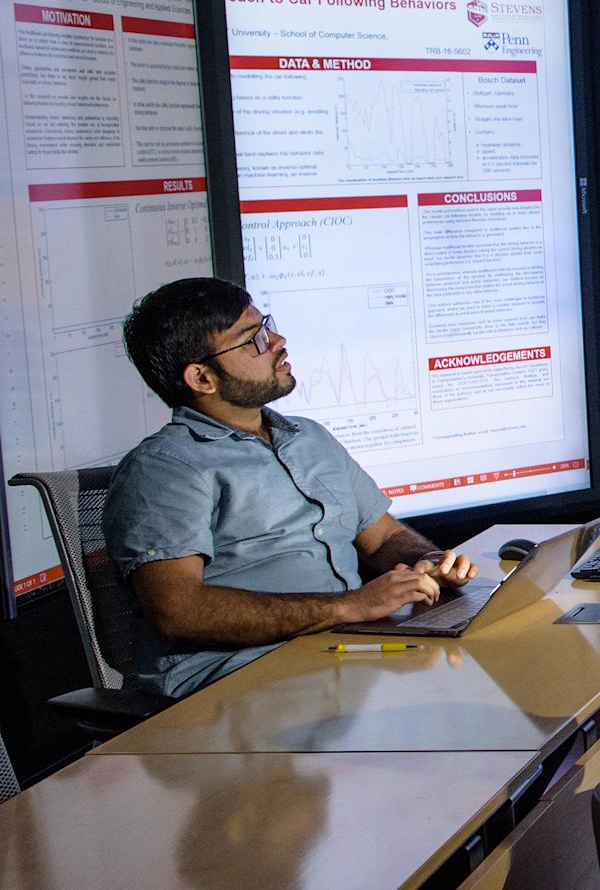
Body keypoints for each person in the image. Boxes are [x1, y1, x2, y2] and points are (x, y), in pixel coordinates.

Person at [104, 278, 478, 697]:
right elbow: (179, 610)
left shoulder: (309, 438)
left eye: (267, 325)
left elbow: (383, 536)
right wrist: (352, 606)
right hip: (238, 680)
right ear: (202, 378)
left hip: (342, 655)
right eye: (253, 339)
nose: (278, 340)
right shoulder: (164, 469)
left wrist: (427, 561)